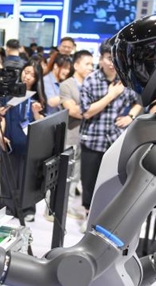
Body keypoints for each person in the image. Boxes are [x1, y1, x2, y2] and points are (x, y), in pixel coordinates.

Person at [78, 40, 142, 223]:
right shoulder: (91, 80)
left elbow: (139, 101)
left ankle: (106, 219)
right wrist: (111, 95)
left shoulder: (126, 80)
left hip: (116, 141)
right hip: (92, 140)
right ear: (101, 59)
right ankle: (88, 217)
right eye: (108, 58)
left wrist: (130, 116)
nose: (112, 63)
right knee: (89, 182)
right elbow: (87, 112)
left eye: (115, 58)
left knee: (113, 182)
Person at [0, 61, 45, 222]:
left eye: (32, 75)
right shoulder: (8, 94)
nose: (28, 77)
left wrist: (36, 113)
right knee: (7, 175)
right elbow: (1, 117)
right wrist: (1, 134)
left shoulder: (37, 97)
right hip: (10, 141)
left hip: (30, 145)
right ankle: (7, 208)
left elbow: (41, 124)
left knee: (28, 178)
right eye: (26, 72)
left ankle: (27, 208)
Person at [57, 50, 93, 221]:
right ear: (76, 65)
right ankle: (59, 208)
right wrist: (94, 110)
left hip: (88, 137)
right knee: (66, 174)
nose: (90, 68)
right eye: (87, 64)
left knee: (77, 174)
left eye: (92, 64)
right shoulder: (67, 85)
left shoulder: (93, 83)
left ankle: (68, 206)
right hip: (70, 135)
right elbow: (71, 110)